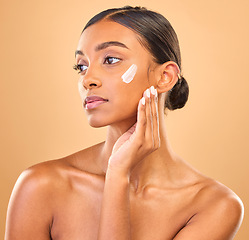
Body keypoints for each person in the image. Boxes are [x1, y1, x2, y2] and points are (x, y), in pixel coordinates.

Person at [5, 6, 244, 240]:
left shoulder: (213, 206)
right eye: (82, 66)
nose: (87, 79)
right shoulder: (41, 187)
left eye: (110, 59)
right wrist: (117, 173)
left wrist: (118, 175)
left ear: (165, 77)